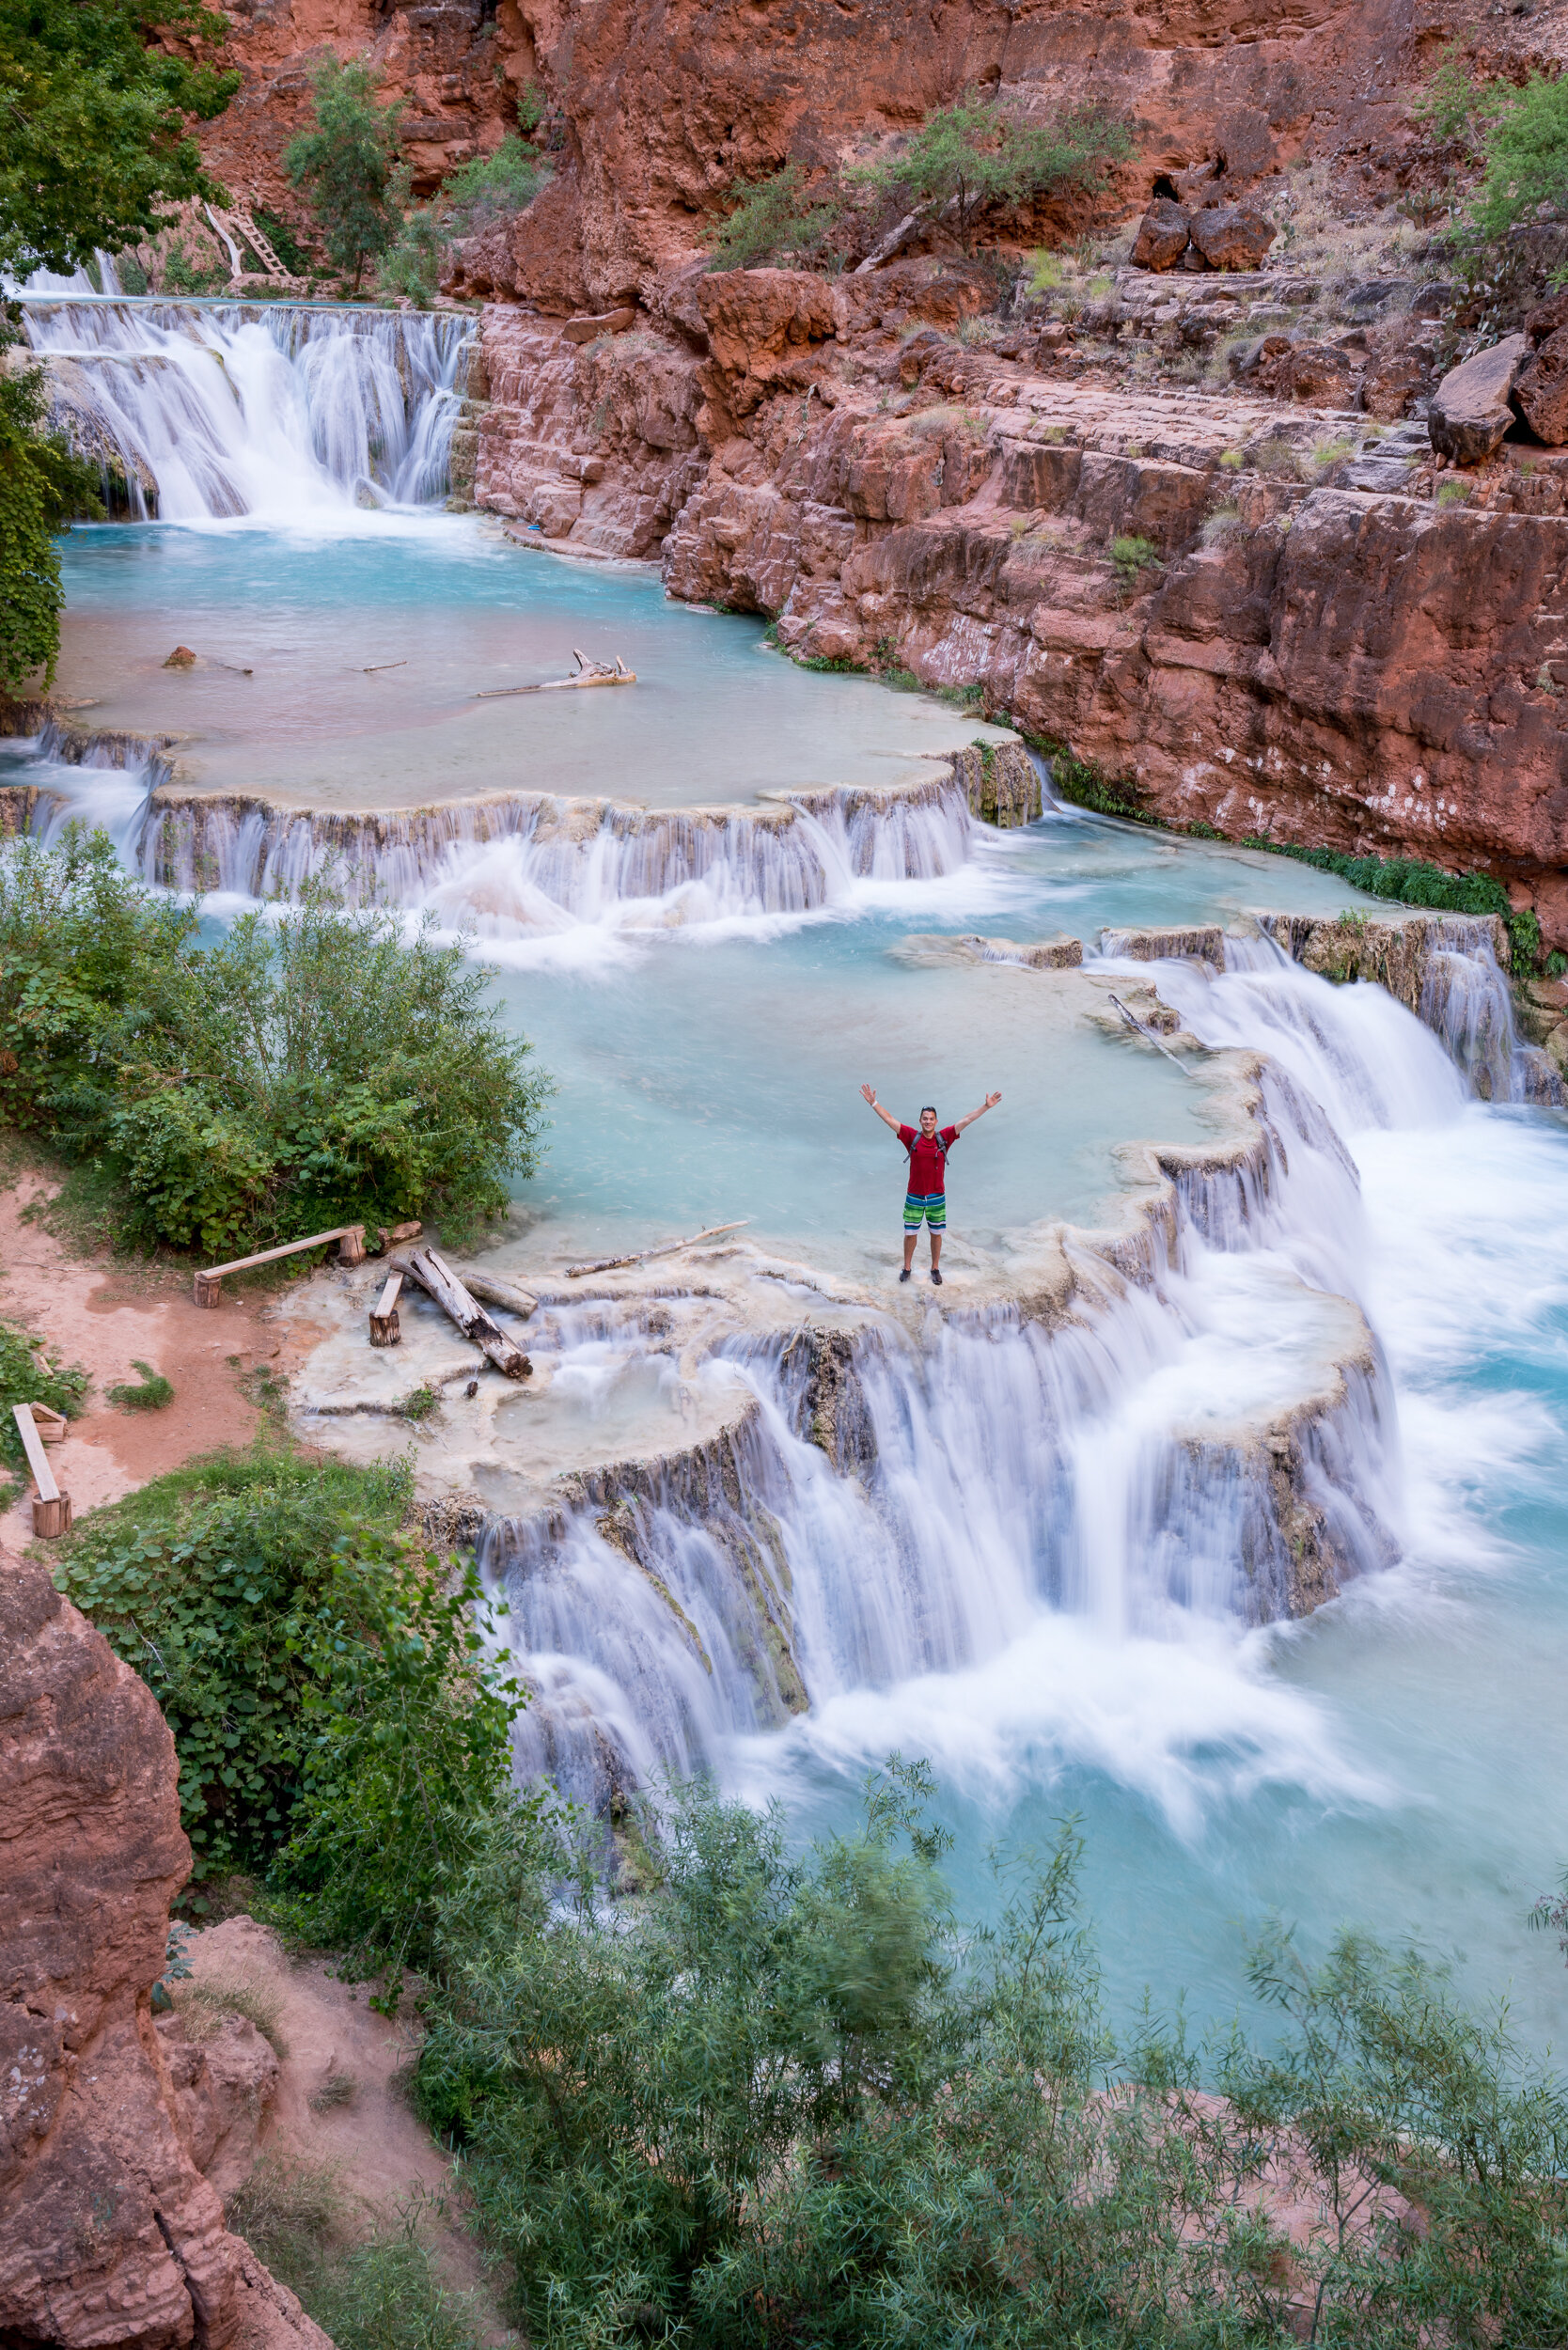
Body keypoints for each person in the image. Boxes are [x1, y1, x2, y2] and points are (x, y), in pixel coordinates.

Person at [859, 1083, 1002, 1284]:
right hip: (914, 1195)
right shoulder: (911, 1137)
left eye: (931, 1119)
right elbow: (890, 1120)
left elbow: (966, 1120)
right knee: (910, 1234)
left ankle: (935, 1268)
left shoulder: (944, 1138)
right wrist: (873, 1103)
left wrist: (986, 1106)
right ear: (920, 1121)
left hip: (937, 1196)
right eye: (925, 1119)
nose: (928, 1121)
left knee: (936, 1234)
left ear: (936, 1121)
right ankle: (907, 1267)